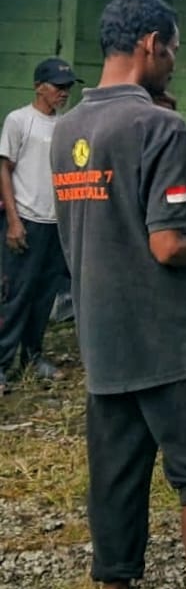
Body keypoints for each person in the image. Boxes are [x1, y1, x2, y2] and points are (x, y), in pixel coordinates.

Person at [50, 0, 186, 589]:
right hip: (171, 340)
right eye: (174, 51)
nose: (175, 64)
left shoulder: (67, 130)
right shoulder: (161, 127)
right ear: (151, 45)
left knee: (116, 475)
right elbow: (167, 244)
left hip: (102, 339)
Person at [0, 57, 79, 393]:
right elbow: (4, 168)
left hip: (55, 222)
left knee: (44, 295)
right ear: (39, 87)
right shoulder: (20, 121)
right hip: (26, 220)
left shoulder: (65, 126)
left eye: (67, 87)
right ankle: (2, 364)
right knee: (15, 295)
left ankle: (33, 356)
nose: (64, 93)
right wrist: (14, 221)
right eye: (58, 87)